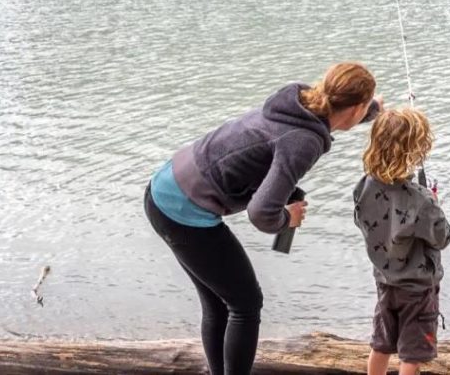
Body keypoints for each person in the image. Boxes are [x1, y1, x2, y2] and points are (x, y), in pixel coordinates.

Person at [143, 62, 381, 375]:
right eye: (365, 107)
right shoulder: (304, 142)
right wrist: (287, 219)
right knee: (246, 305)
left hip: (167, 186)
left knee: (219, 303)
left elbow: (340, 111)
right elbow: (261, 213)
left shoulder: (298, 103)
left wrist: (374, 110)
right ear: (356, 108)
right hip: (183, 211)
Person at [353, 107, 450, 375]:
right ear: (415, 150)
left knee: (381, 345)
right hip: (418, 289)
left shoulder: (364, 186)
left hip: (385, 281)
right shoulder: (421, 200)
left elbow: (363, 221)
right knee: (411, 355)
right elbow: (442, 238)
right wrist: (434, 204)